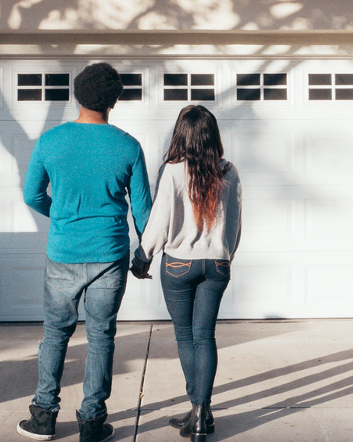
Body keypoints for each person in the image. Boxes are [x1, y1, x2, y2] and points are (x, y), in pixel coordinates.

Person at [18, 62, 152, 442]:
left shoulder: (50, 141)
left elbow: (31, 195)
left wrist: (60, 215)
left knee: (55, 333)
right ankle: (92, 422)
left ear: (77, 95)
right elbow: (144, 211)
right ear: (115, 100)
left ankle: (43, 416)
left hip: (63, 252)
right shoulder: (128, 146)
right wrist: (146, 254)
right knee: (102, 336)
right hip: (109, 255)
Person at [131, 104, 242, 442]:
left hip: (179, 264)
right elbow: (235, 223)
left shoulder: (174, 170)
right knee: (204, 336)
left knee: (185, 337)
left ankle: (197, 411)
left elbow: (159, 221)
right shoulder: (229, 170)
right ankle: (200, 412)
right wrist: (225, 255)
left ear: (181, 134)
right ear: (212, 135)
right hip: (217, 264)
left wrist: (142, 256)